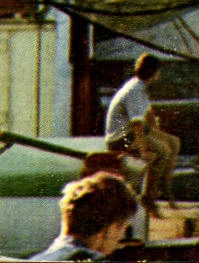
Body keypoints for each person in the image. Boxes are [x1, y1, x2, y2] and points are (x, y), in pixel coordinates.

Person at [104, 53, 178, 211]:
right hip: (121, 138)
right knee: (163, 151)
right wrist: (144, 150)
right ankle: (148, 197)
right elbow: (137, 124)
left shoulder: (140, 87)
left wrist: (159, 133)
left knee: (174, 142)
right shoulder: (135, 91)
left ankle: (164, 185)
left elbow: (148, 114)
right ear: (153, 72)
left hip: (132, 132)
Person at [29, 171, 140, 260]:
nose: (118, 242)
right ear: (111, 229)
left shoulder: (37, 259)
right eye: (121, 230)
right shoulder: (95, 259)